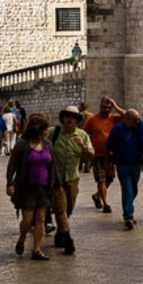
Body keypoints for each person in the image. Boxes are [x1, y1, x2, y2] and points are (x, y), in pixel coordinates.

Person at [6, 113, 58, 261]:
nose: (47, 131)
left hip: (44, 188)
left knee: (41, 218)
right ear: (38, 129)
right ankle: (22, 238)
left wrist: (57, 184)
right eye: (45, 128)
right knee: (28, 221)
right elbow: (12, 165)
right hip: (27, 188)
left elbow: (53, 165)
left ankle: (36, 249)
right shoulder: (23, 144)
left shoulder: (47, 143)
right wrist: (10, 183)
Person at [50, 106, 93, 255]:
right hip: (56, 179)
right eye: (67, 116)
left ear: (77, 121)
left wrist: (82, 146)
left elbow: (90, 158)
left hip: (73, 178)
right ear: (62, 118)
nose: (70, 119)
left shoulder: (83, 135)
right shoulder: (53, 133)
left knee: (68, 210)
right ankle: (68, 239)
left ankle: (60, 233)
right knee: (61, 209)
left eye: (73, 117)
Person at [106, 109, 143, 230]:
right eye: (134, 120)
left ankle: (128, 209)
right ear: (126, 119)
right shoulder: (117, 130)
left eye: (138, 119)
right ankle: (128, 216)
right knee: (127, 190)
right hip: (123, 164)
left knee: (134, 189)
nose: (137, 122)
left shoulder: (140, 128)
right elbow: (109, 147)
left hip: (136, 164)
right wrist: (110, 166)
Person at [83, 96, 125, 213]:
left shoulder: (114, 118)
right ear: (99, 106)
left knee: (110, 178)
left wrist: (116, 106)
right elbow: (84, 134)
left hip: (110, 154)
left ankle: (97, 196)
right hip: (97, 154)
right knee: (101, 179)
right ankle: (106, 203)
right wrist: (85, 149)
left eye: (108, 108)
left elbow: (127, 116)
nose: (106, 110)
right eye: (103, 107)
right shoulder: (92, 120)